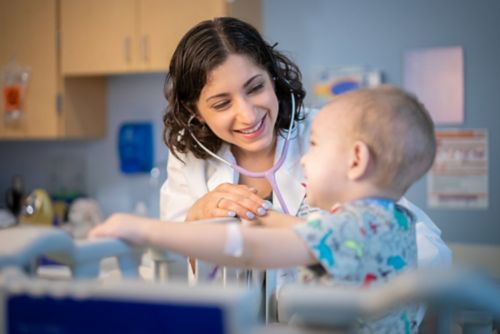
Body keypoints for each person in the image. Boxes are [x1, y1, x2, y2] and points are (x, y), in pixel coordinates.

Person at [90, 85, 435, 332]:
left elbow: (250, 250)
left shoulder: (351, 229)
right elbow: (296, 229)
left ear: (356, 160)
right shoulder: (391, 221)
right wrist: (244, 209)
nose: (303, 157)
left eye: (313, 146)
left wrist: (147, 230)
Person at [158, 17, 451, 272]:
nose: (247, 115)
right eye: (222, 103)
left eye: (256, 87)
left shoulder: (328, 133)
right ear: (195, 111)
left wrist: (344, 252)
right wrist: (195, 217)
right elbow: (165, 267)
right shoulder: (188, 155)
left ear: (273, 79)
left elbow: (425, 249)